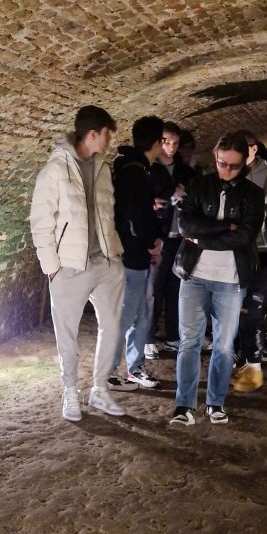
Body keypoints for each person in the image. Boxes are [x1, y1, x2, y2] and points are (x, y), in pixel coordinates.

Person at [29, 105, 127, 421]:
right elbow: (41, 221)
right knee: (67, 335)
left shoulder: (103, 168)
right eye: (107, 134)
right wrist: (52, 268)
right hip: (70, 266)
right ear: (93, 134)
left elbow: (107, 213)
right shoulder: (55, 170)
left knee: (113, 326)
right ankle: (70, 391)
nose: (110, 140)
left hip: (106, 262)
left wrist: (114, 254)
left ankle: (100, 388)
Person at [169, 133, 265, 426]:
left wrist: (204, 238)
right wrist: (224, 227)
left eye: (234, 166)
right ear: (215, 156)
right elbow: (186, 225)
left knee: (223, 346)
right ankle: (184, 405)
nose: (227, 170)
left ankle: (215, 402)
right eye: (222, 163)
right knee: (189, 342)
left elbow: (245, 236)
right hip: (194, 275)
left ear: (245, 162)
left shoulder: (252, 194)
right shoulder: (199, 185)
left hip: (230, 279)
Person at [108, 116, 165, 392]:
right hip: (131, 255)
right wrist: (151, 242)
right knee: (125, 315)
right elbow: (134, 217)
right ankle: (108, 371)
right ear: (158, 142)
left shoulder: (137, 170)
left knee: (141, 314)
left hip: (137, 254)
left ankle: (135, 367)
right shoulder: (135, 172)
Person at [230, 132, 267, 393]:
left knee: (253, 308)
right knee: (236, 307)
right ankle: (243, 356)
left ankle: (254, 361)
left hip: (262, 250)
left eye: (244, 147)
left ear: (255, 149)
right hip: (236, 249)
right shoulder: (231, 172)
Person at [147, 122, 195, 358]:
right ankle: (148, 337)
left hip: (180, 237)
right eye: (166, 142)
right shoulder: (150, 169)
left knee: (176, 289)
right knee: (154, 289)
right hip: (159, 236)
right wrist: (151, 203)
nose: (171, 147)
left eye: (175, 143)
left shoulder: (185, 170)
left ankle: (173, 336)